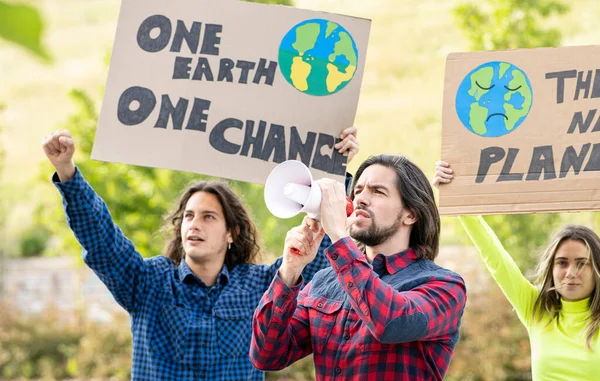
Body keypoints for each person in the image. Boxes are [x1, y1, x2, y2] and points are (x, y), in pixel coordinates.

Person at [41, 127, 359, 381]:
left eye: (208, 217)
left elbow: (320, 255)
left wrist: (335, 170)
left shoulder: (261, 285)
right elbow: (102, 241)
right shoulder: (147, 282)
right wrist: (67, 172)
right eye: (189, 216)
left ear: (232, 233)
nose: (194, 224)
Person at [250, 154, 467, 381]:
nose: (361, 199)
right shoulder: (325, 281)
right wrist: (290, 271)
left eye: (378, 191)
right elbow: (267, 355)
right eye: (358, 190)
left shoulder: (444, 285)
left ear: (410, 214)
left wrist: (338, 236)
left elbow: (391, 323)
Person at [433, 160, 600, 381]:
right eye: (562, 262)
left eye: (581, 263)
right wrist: (457, 193)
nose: (570, 272)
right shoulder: (536, 309)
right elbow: (494, 256)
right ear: (551, 268)